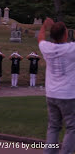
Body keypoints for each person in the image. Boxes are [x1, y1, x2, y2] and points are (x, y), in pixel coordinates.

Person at [38, 18, 75, 154]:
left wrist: (44, 26)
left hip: (51, 94)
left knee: (53, 127)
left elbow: (40, 38)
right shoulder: (71, 49)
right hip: (68, 95)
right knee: (72, 128)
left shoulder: (47, 48)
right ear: (66, 34)